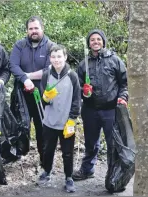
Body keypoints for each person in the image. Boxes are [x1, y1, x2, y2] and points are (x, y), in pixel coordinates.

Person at [73, 29, 128, 180]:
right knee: (90, 142)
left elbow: (125, 82)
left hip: (111, 110)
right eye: (92, 40)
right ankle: (87, 170)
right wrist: (84, 92)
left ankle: (113, 173)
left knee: (113, 144)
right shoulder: (84, 63)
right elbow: (77, 85)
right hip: (90, 109)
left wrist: (123, 97)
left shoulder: (115, 60)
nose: (95, 42)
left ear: (103, 41)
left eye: (98, 39)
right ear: (88, 43)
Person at [9, 16, 56, 167]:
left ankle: (45, 160)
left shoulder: (51, 47)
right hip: (22, 96)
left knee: (43, 129)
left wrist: (27, 76)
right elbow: (13, 65)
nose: (33, 31)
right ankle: (18, 154)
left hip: (43, 96)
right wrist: (24, 80)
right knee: (20, 126)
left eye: (36, 28)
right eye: (31, 29)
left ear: (42, 28)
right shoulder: (19, 46)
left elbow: (50, 70)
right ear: (27, 30)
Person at [36, 45, 81, 193]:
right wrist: (45, 98)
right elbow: (43, 100)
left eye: (59, 56)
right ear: (50, 58)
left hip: (66, 122)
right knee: (47, 150)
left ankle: (69, 178)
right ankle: (47, 172)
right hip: (49, 121)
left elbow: (76, 100)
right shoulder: (46, 74)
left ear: (65, 57)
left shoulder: (72, 76)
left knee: (67, 152)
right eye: (53, 57)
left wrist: (72, 119)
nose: (56, 60)